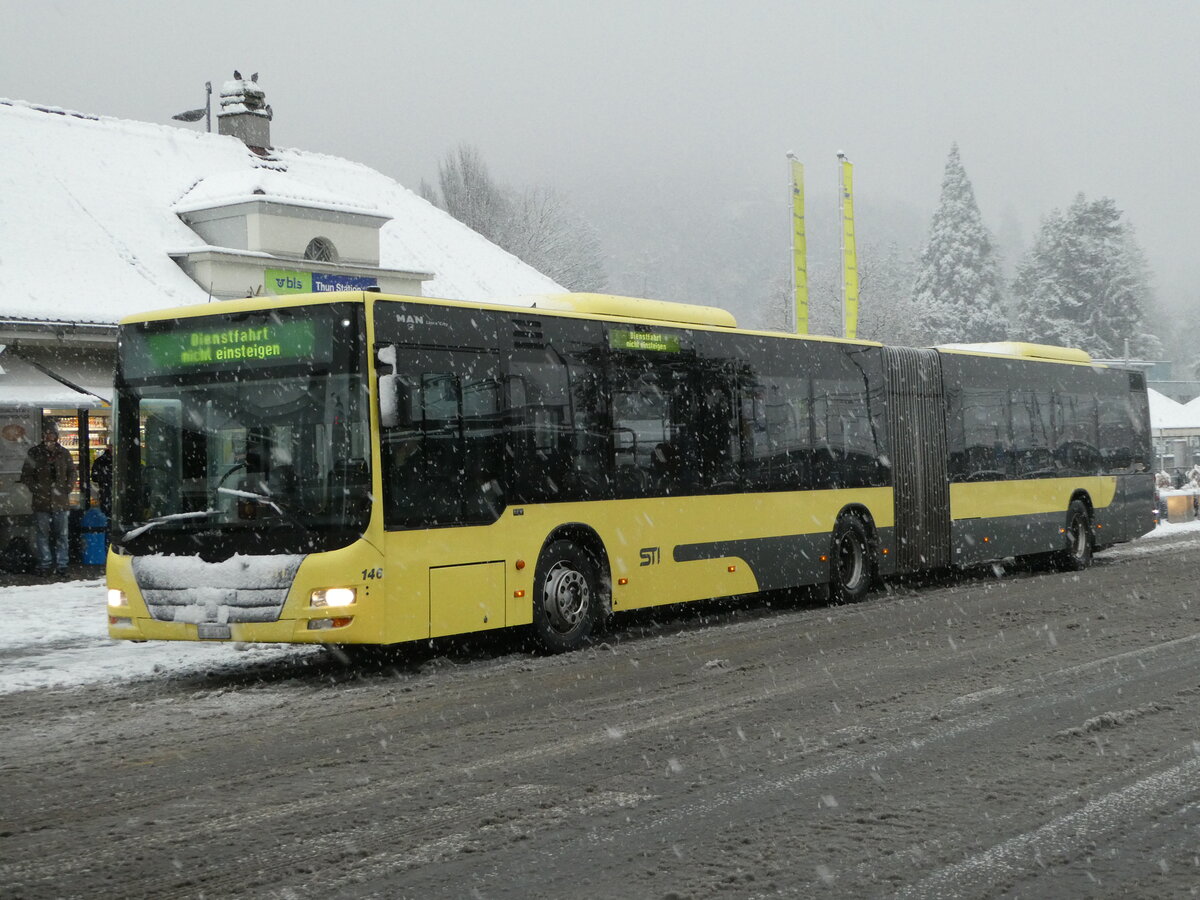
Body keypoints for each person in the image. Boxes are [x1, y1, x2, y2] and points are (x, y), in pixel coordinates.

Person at [18, 425, 76, 577]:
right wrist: (36, 488)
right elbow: (26, 474)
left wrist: (67, 487)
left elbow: (72, 472)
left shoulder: (63, 453)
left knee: (61, 536)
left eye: (52, 434)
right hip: (41, 501)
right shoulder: (35, 452)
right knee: (42, 535)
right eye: (47, 434)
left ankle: (62, 565)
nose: (49, 436)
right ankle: (46, 564)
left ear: (56, 436)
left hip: (60, 501)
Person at [90, 443, 113, 518]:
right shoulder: (101, 461)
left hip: (105, 492)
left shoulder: (99, 461)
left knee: (106, 514)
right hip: (107, 492)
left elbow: (94, 477)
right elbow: (94, 477)